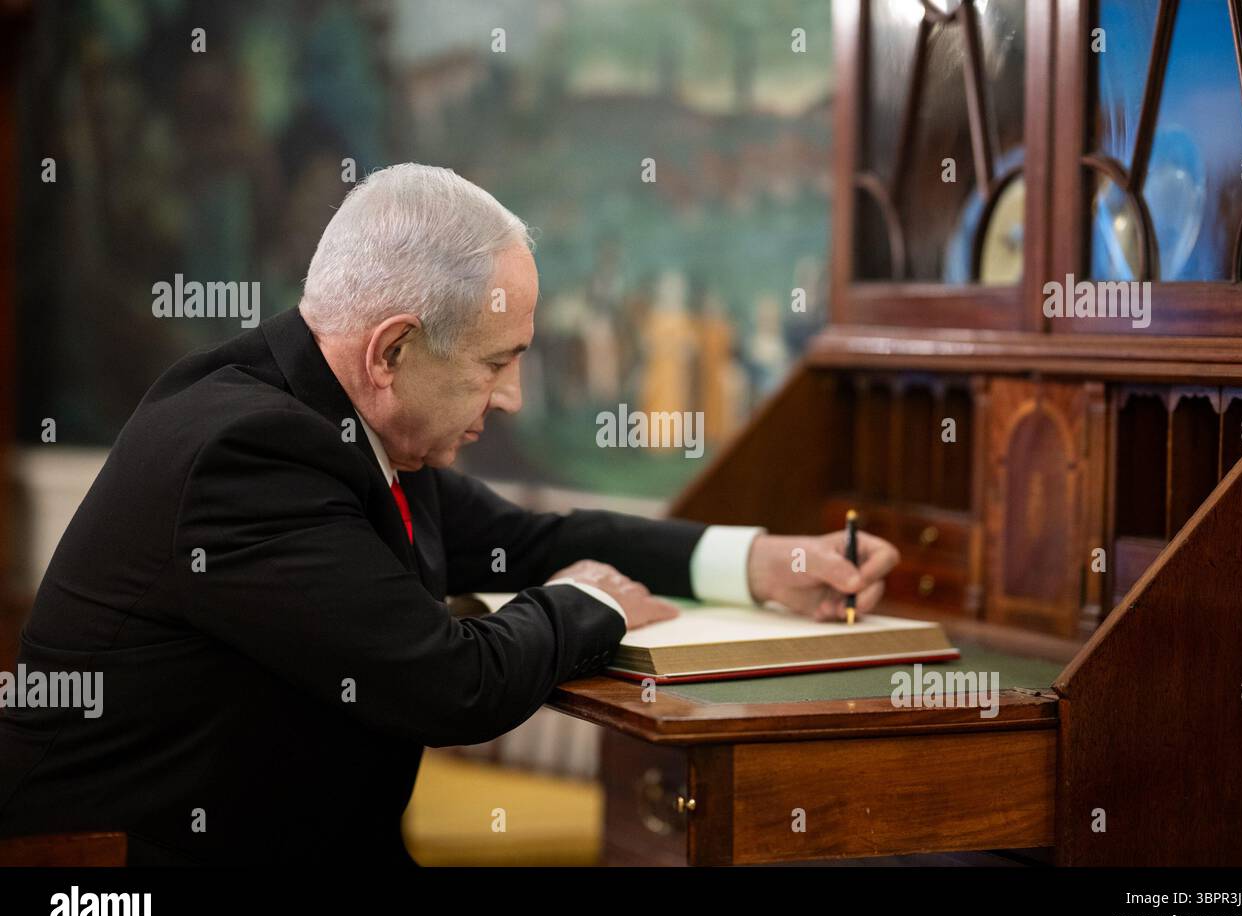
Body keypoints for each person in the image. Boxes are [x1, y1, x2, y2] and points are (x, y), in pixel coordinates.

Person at [0, 164, 899, 864]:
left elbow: (528, 542)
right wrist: (596, 605)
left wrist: (759, 561)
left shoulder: (351, 419)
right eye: (496, 363)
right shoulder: (248, 453)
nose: (509, 399)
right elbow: (448, 683)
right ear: (392, 348)